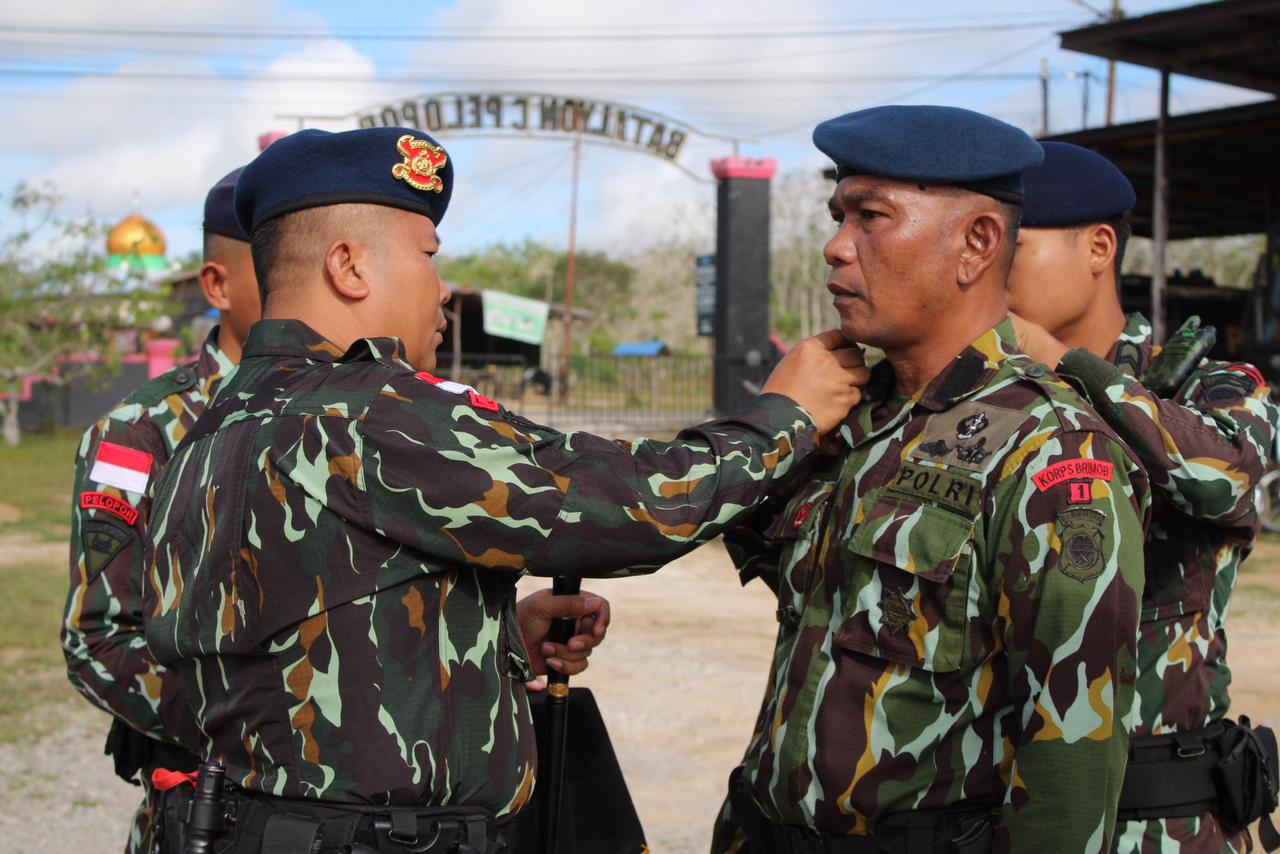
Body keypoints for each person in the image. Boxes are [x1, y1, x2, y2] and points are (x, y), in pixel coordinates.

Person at [140, 126, 871, 853]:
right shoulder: (367, 413)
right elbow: (626, 505)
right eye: (428, 256)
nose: (442, 287)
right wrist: (785, 417)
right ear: (349, 266)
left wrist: (485, 645)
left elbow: (287, 648)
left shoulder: (212, 429)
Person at [710, 106, 1151, 854]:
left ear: (977, 245)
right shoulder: (849, 420)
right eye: (837, 216)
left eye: (870, 218)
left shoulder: (1051, 449)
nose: (835, 247)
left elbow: (1072, 758)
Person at [1007, 141, 1280, 854]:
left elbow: (1228, 474)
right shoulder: (995, 398)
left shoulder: (1208, 387)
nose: (986, 271)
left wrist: (1067, 366)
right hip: (1004, 806)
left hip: (1158, 818)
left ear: (1099, 247)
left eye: (1012, 246)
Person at [60, 167, 261, 854]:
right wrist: (272, 731)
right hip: (216, 812)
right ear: (219, 286)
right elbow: (99, 638)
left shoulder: (360, 416)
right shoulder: (142, 434)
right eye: (287, 269)